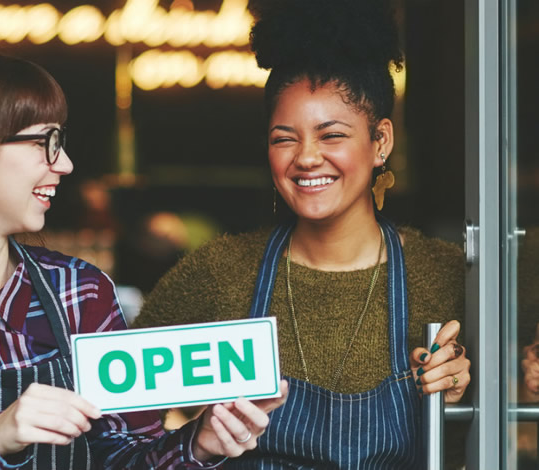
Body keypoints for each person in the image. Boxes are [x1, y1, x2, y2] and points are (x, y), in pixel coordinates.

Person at [0, 50, 287, 470]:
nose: (65, 164)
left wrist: (198, 443)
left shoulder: (81, 292)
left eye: (61, 142)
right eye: (44, 143)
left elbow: (128, 456)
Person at [134, 0, 471, 467]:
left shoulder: (446, 274)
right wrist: (197, 437)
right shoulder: (217, 273)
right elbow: (114, 423)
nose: (306, 158)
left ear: (381, 142)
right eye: (283, 138)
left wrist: (463, 397)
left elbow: (505, 425)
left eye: (331, 135)